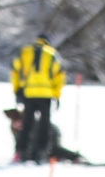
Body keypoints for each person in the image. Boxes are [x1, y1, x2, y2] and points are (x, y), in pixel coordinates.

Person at [10, 33, 65, 163]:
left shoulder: (25, 52)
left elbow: (15, 71)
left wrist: (17, 90)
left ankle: (21, 152)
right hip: (46, 95)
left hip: (28, 93)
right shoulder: (52, 54)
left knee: (27, 124)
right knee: (44, 125)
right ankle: (40, 153)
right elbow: (59, 76)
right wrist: (57, 96)